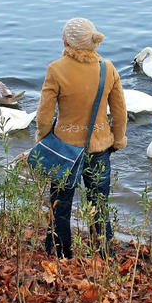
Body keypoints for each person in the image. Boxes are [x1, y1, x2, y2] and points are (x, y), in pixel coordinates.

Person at [35, 17, 127, 259]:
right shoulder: (108, 69)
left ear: (66, 41)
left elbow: (44, 116)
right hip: (100, 149)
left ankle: (61, 254)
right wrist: (118, 139)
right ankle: (103, 256)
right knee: (99, 206)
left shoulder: (55, 69)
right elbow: (119, 112)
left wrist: (43, 139)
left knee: (60, 206)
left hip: (65, 149)